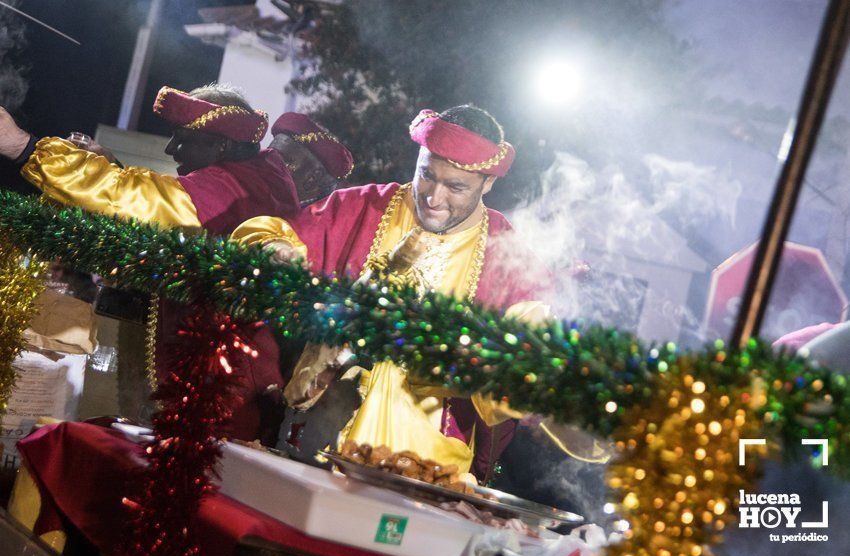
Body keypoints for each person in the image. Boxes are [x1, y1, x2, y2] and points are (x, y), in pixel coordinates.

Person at [232, 105, 552, 480]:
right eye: (426, 175)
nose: (434, 197)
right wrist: (276, 251)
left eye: (455, 186)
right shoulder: (368, 206)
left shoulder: (506, 250)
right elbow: (269, 232)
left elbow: (531, 344)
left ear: (488, 183)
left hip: (429, 466)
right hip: (322, 436)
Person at [0, 84, 301, 443]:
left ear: (220, 146)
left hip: (224, 392)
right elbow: (167, 209)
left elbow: (133, 199)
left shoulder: (235, 184)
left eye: (182, 138)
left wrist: (23, 146)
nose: (170, 149)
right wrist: (113, 168)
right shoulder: (259, 175)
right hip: (224, 377)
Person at [270, 112, 354, 206]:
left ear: (312, 179)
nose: (265, 163)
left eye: (281, 161)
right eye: (268, 155)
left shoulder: (310, 220)